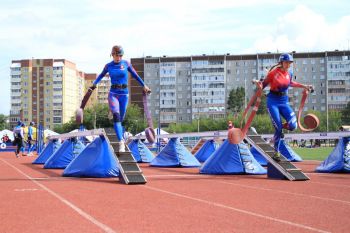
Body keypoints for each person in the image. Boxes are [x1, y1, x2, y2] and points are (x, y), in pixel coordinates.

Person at [91, 45, 151, 152]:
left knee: (121, 118)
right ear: (112, 55)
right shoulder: (108, 66)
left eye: (120, 55)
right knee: (117, 117)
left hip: (124, 94)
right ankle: (121, 141)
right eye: (116, 55)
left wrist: (144, 85)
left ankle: (113, 112)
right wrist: (94, 84)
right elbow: (100, 76)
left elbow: (136, 75)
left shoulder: (126, 64)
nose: (118, 58)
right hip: (113, 93)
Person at [258, 53, 313, 161]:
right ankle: (276, 152)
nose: (288, 64)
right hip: (272, 101)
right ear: (281, 62)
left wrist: (304, 86)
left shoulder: (290, 73)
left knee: (293, 126)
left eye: (290, 62)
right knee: (278, 129)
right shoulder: (273, 73)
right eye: (286, 62)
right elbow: (262, 85)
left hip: (284, 101)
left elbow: (290, 83)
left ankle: (279, 127)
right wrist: (258, 83)